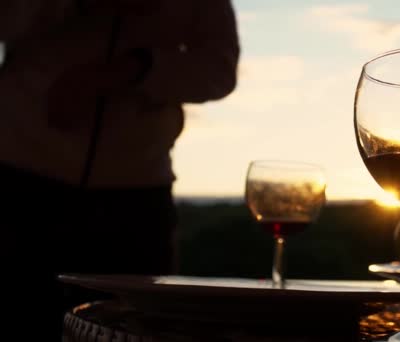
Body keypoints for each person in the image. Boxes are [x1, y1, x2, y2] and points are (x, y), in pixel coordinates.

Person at [0, 0, 239, 339]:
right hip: (22, 182)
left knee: (135, 324)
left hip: (136, 196)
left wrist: (136, 68)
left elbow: (219, 71)